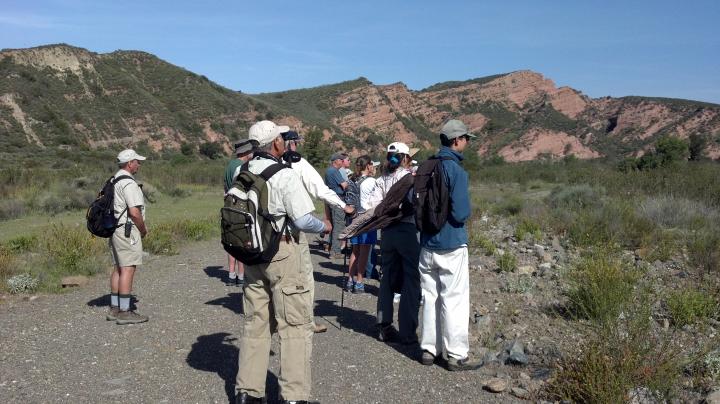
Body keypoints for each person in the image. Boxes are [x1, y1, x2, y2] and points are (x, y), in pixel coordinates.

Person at [235, 120, 331, 404]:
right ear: (275, 143)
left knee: (256, 322)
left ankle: (248, 393)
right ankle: (293, 396)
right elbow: (302, 219)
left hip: (253, 255)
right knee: (295, 325)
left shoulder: (244, 172)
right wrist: (324, 226)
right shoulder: (283, 174)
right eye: (281, 137)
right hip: (283, 252)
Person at [418, 119, 482, 371]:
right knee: (454, 299)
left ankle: (428, 349)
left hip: (426, 244)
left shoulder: (426, 166)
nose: (467, 142)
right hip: (451, 244)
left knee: (430, 296)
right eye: (466, 138)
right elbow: (461, 213)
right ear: (456, 140)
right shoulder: (456, 171)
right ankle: (455, 355)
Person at [281, 130, 354, 333]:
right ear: (288, 144)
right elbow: (319, 189)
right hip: (292, 230)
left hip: (265, 233)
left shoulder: (257, 163)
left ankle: (277, 318)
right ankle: (305, 321)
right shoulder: (298, 163)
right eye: (295, 143)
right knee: (303, 277)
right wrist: (343, 206)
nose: (296, 147)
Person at [367, 142, 421, 344]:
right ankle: (407, 332)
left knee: (387, 276)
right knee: (411, 278)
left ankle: (384, 325)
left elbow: (370, 206)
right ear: (405, 157)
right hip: (407, 230)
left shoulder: (381, 180)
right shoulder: (408, 178)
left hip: (387, 232)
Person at [107, 149, 149, 325]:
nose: (139, 164)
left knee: (118, 267)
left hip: (115, 229)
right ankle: (125, 311)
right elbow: (134, 212)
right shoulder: (129, 183)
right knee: (128, 268)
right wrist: (143, 229)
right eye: (137, 161)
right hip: (127, 230)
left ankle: (115, 308)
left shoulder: (114, 179)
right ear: (130, 163)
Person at [343, 156, 378, 294]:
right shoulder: (372, 181)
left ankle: (350, 280)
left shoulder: (352, 179)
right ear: (368, 166)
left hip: (354, 217)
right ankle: (359, 281)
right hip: (366, 218)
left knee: (355, 250)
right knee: (364, 252)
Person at [223, 140, 255, 287]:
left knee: (231, 239)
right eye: (250, 152)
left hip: (228, 206)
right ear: (246, 152)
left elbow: (225, 187)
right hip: (240, 207)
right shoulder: (242, 167)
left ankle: (231, 275)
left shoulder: (229, 166)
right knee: (242, 241)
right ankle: (241, 276)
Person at [324, 152, 349, 259]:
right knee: (339, 225)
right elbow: (344, 185)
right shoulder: (334, 171)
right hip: (337, 199)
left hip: (331, 199)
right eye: (340, 159)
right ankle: (335, 252)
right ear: (336, 161)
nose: (342, 161)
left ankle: (332, 248)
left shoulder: (329, 171)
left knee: (334, 225)